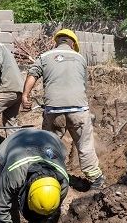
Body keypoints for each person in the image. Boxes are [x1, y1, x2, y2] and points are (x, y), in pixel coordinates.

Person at [21, 29, 105, 189]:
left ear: (57, 41)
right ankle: (95, 178)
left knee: (49, 144)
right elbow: (83, 85)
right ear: (73, 43)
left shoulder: (45, 57)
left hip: (54, 110)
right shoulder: (80, 58)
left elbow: (32, 74)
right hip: (79, 109)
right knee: (85, 144)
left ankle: (49, 174)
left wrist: (25, 95)